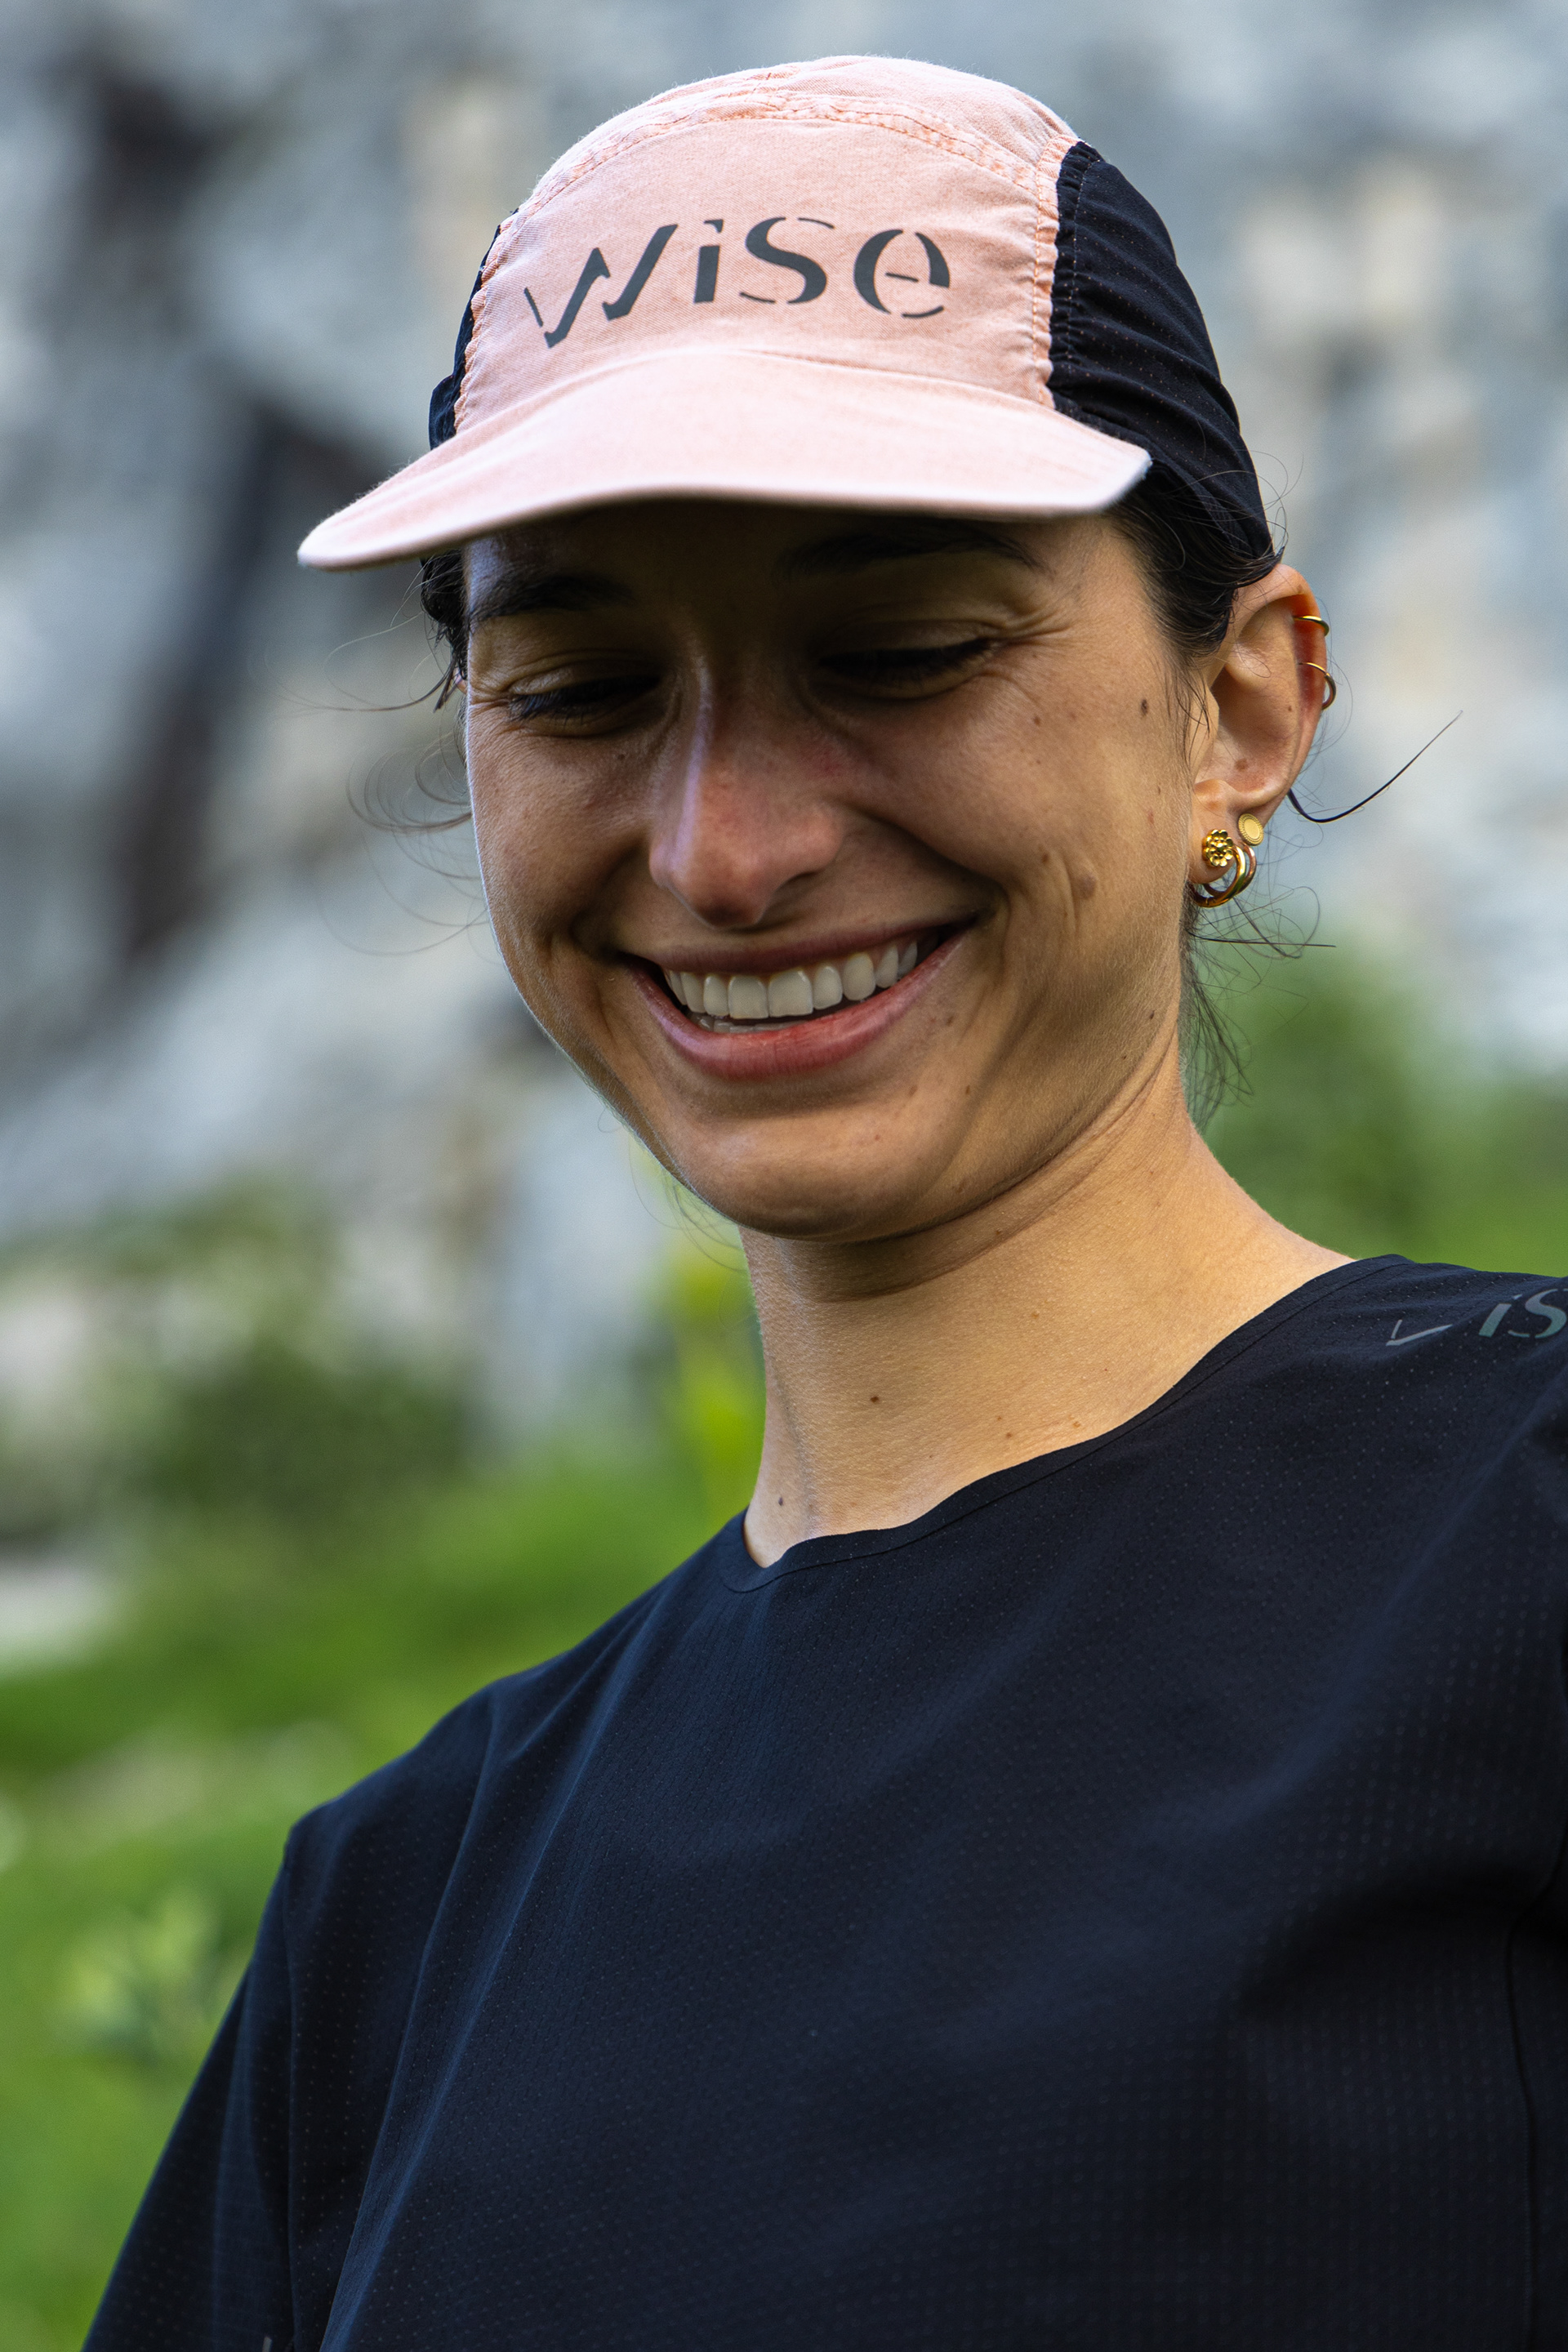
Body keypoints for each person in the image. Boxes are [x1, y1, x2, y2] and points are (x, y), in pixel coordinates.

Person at [87, 56, 1568, 2352]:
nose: (725, 848)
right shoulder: (394, 1918)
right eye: (580, 687)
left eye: (901, 652)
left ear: (1244, 707)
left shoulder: (1519, 1542)